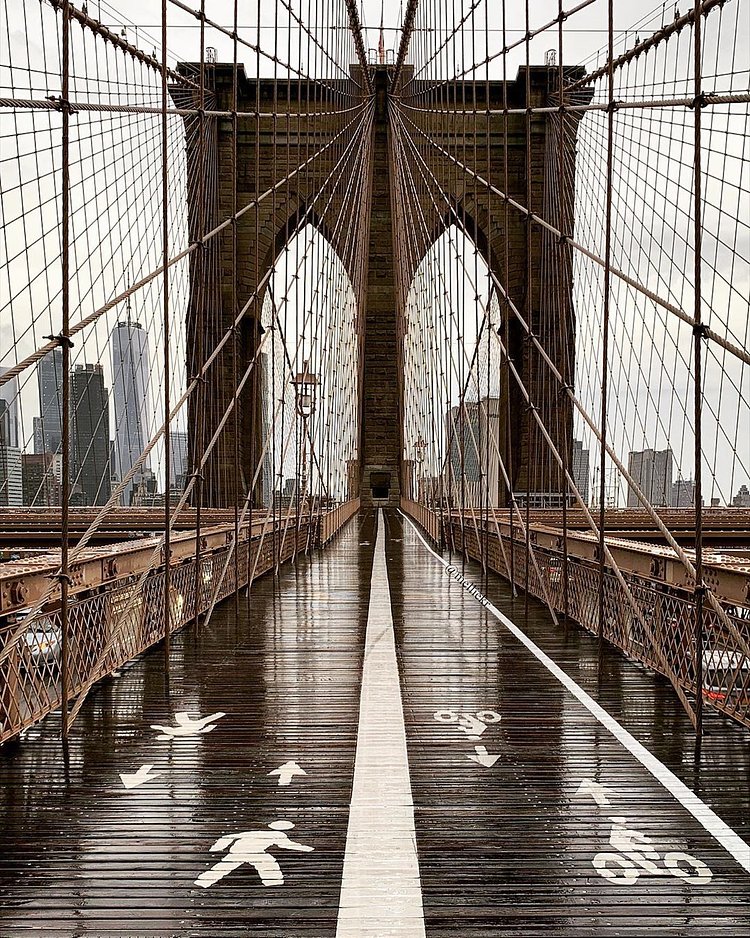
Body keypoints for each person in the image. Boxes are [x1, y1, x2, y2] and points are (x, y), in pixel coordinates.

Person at [194, 820, 313, 888]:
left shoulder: (256, 831)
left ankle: (203, 881)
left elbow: (229, 836)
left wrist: (217, 848)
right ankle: (274, 883)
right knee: (269, 864)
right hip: (255, 851)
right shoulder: (279, 835)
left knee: (224, 867)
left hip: (237, 850)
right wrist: (307, 849)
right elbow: (286, 845)